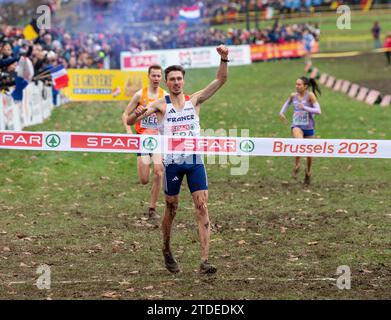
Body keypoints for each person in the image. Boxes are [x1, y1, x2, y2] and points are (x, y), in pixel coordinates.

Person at [127, 45, 229, 274]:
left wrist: (224, 59)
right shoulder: (161, 105)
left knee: (202, 207)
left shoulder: (195, 100)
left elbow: (220, 80)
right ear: (166, 81)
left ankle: (204, 260)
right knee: (171, 208)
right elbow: (134, 119)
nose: (175, 82)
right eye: (171, 79)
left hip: (194, 162)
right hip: (172, 164)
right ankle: (166, 248)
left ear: (183, 81)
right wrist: (138, 112)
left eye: (179, 79)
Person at [122, 64, 166, 220]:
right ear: (148, 76)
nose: (156, 78)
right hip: (142, 140)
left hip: (158, 140)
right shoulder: (140, 95)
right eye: (153, 75)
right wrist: (129, 132)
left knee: (159, 172)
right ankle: (151, 197)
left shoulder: (164, 96)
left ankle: (152, 208)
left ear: (161, 78)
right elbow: (125, 115)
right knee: (144, 179)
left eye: (158, 76)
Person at [279, 76, 322, 185]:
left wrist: (305, 108)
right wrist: (282, 112)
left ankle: (308, 172)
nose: (296, 86)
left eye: (299, 84)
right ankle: (297, 164)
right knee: (299, 142)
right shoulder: (293, 96)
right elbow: (287, 103)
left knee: (309, 153)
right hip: (297, 125)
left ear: (305, 86)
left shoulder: (310, 96)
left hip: (309, 127)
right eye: (296, 84)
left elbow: (318, 111)